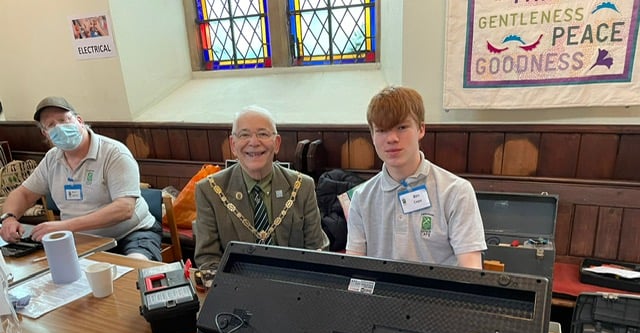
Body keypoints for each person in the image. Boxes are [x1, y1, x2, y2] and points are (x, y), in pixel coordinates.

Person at [0, 96, 162, 261]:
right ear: (45, 134)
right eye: (51, 125)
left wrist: (65, 226)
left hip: (131, 235)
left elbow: (125, 208)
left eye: (64, 120)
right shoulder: (51, 159)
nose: (59, 127)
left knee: (135, 269)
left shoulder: (114, 153)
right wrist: (8, 219)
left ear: (79, 120)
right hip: (81, 240)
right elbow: (24, 194)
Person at [346, 86, 486, 268]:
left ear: (421, 129)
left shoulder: (456, 191)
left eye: (402, 127)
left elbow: (471, 270)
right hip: (381, 294)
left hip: (438, 295)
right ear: (372, 135)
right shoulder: (361, 198)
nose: (392, 138)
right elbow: (353, 267)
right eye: (381, 130)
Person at [194, 105, 329, 270]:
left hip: (292, 286)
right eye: (244, 135)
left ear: (277, 143)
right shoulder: (209, 191)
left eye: (263, 134)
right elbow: (208, 260)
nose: (254, 142)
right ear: (233, 145)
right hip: (237, 288)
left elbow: (316, 251)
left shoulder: (302, 187)